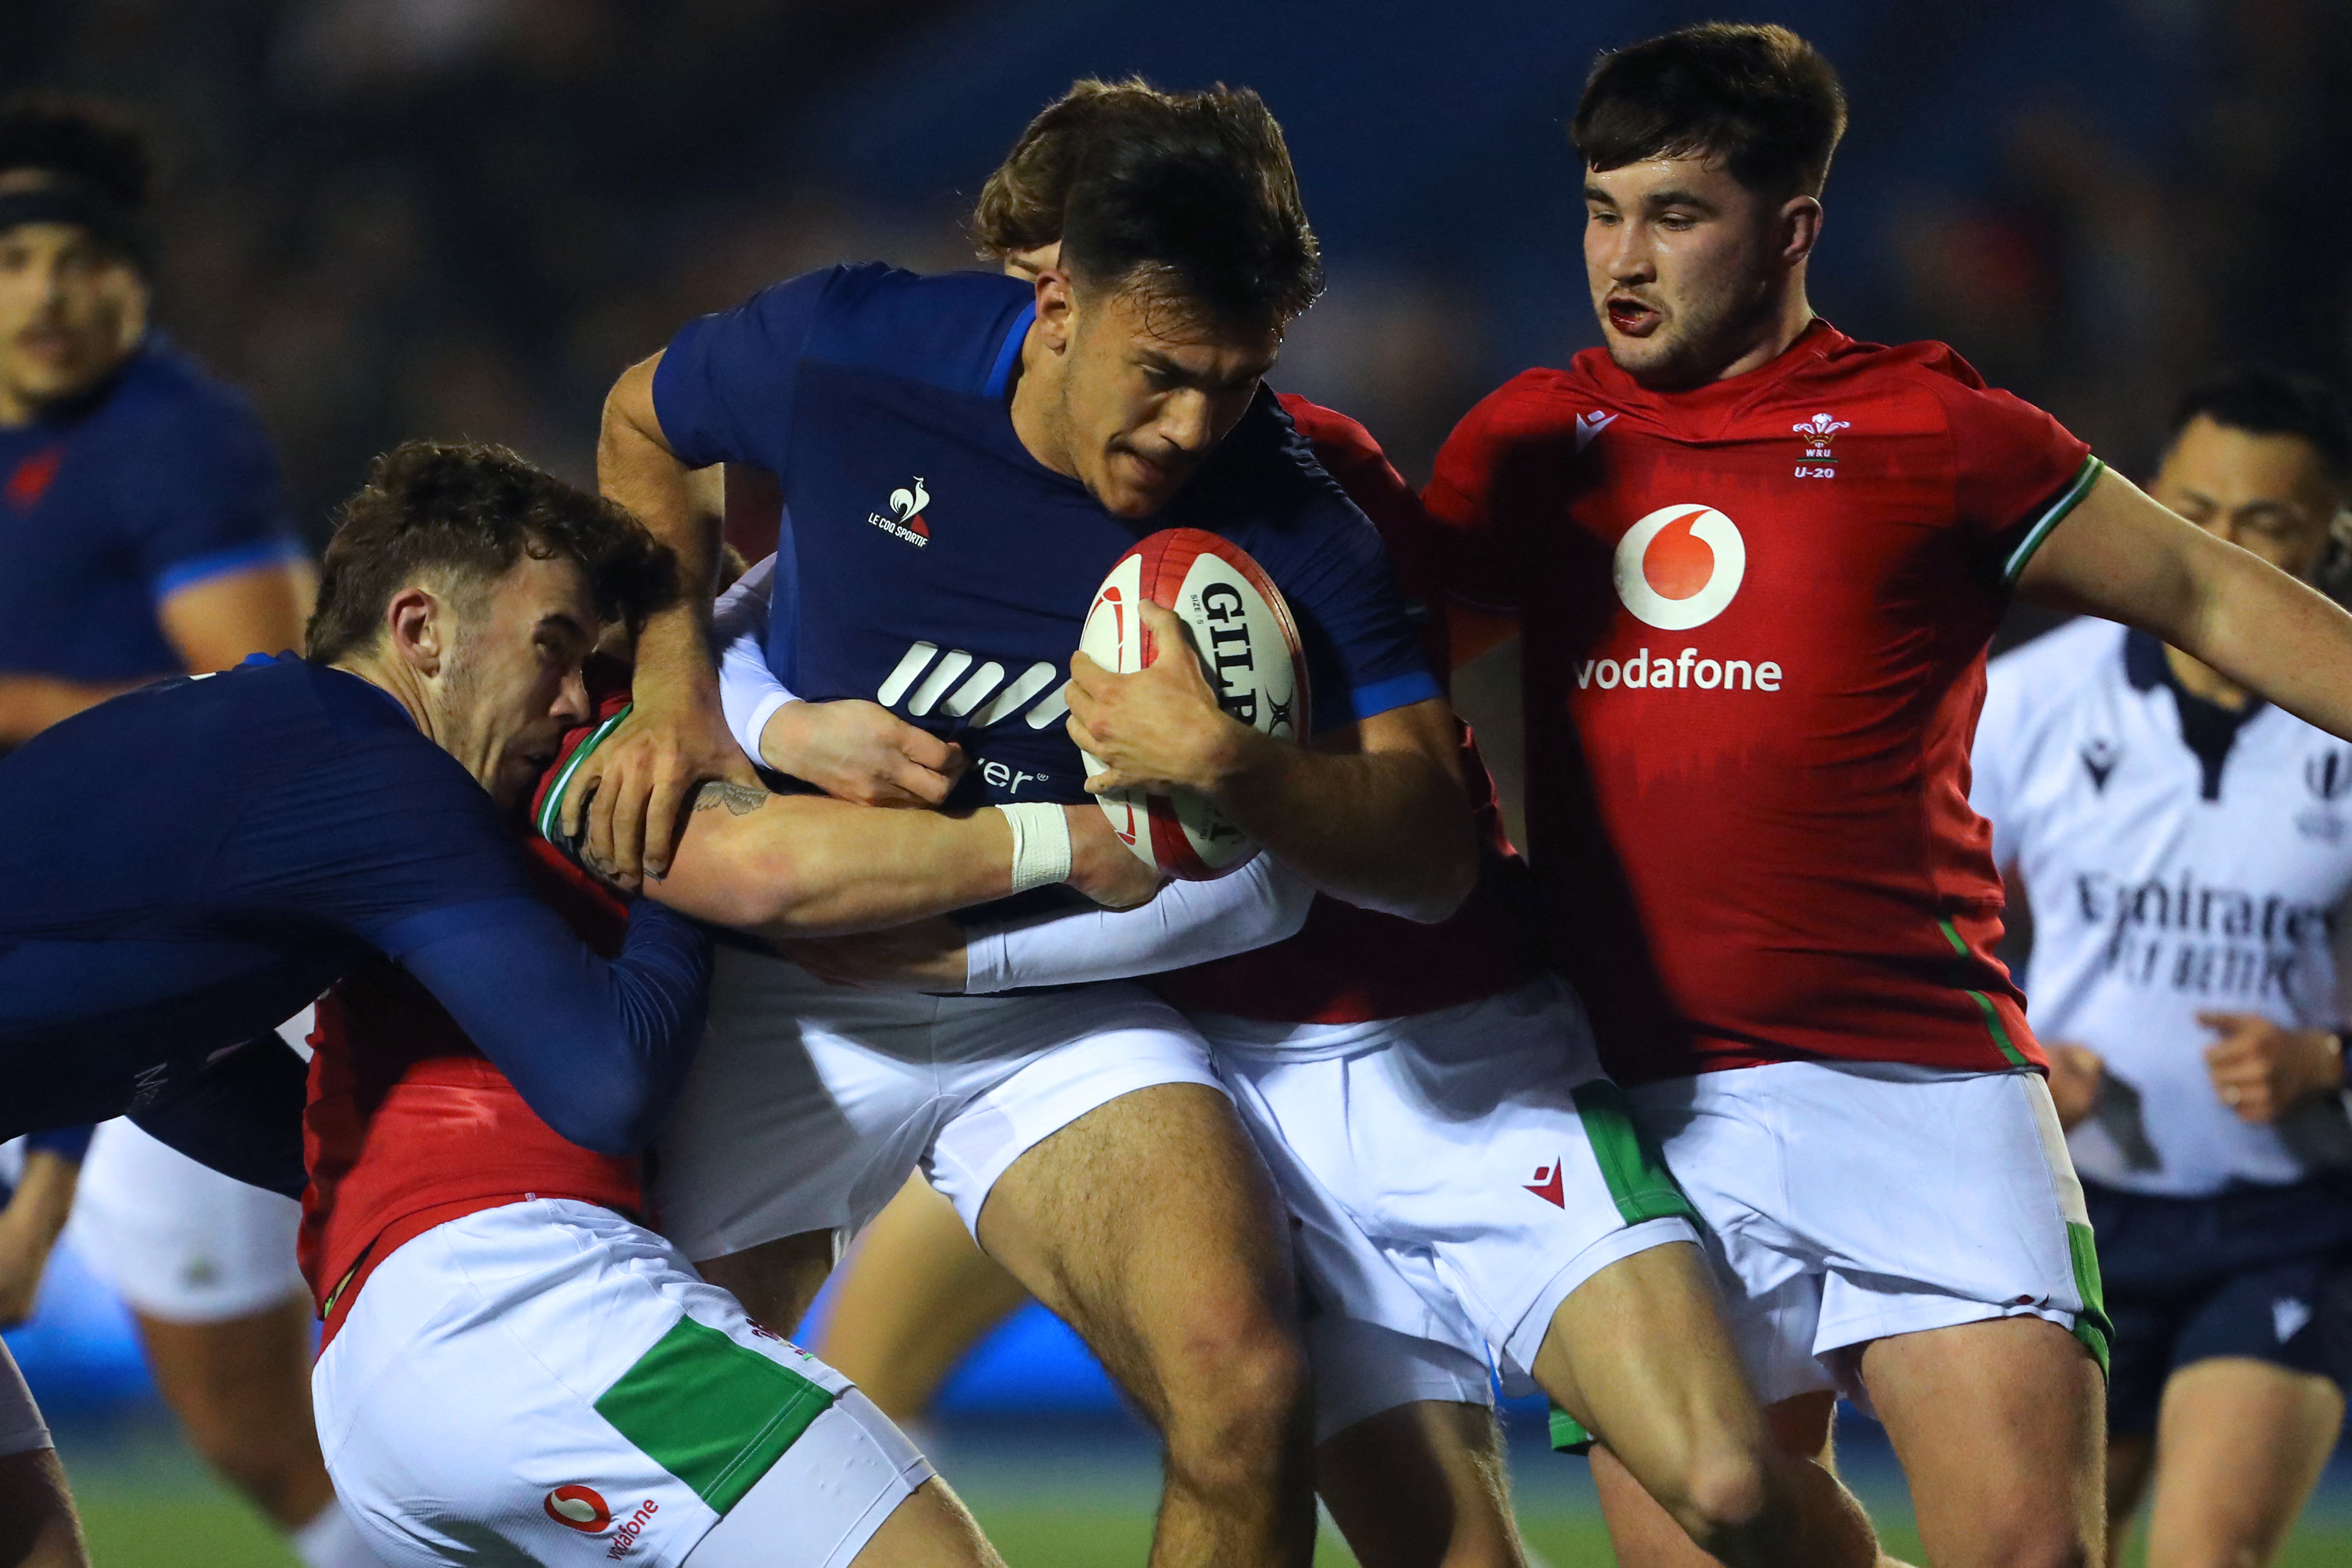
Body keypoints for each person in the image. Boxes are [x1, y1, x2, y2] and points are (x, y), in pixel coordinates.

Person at [778, 78, 1887, 1568]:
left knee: (1731, 1486)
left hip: (1460, 1043)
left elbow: (1429, 816)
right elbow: (738, 585)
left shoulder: (1301, 489)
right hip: (1216, 1082)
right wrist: (776, 729)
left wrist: (1232, 763)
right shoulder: (930, 481)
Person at [1424, 23, 2352, 1568]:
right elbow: (1375, 689)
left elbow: (2204, 588)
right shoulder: (1526, 445)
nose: (1622, 261)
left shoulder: (1938, 430)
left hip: (1921, 1081)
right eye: (1600, 211)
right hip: (1644, 1097)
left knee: (2033, 1556)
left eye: (1674, 215)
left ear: (1791, 228)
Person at [572, 84, 1476, 1568]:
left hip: (1062, 1009)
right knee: (636, 1414)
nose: (1192, 428)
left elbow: (1434, 852)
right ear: (1057, 301)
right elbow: (639, 418)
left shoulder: (1290, 516)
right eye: (1162, 373)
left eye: (1238, 383)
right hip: (786, 986)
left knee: (1247, 1392)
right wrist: (676, 694)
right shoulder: (858, 349)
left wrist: (1239, 769)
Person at [0, 93, 334, 1568]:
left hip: (182, 986)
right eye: (14, 259)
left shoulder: (170, 441)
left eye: (78, 258)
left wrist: (48, 1175)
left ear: (133, 274)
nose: (46, 295)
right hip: (68, 982)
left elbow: (276, 715)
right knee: (258, 1440)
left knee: (274, 1430)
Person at [1971, 368, 2352, 1568]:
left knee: (2205, 1553)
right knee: (2043, 1554)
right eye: (2194, 512)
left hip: (2285, 1217)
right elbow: (1914, 915)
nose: (2221, 547)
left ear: (2333, 540)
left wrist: (2329, 1059)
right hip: (2075, 1214)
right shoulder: (2029, 701)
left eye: (2265, 522)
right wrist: (2012, 1055)